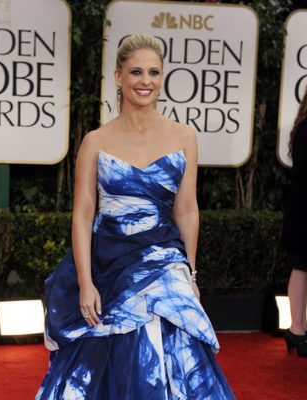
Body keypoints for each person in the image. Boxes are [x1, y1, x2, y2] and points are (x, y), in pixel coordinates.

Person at [35, 34, 235, 399]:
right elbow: (82, 215)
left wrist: (189, 273)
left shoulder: (185, 136)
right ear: (118, 77)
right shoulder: (95, 141)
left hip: (164, 258)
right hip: (109, 262)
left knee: (175, 349)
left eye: (154, 72)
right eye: (137, 72)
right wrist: (85, 282)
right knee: (107, 353)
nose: (146, 81)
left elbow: (187, 208)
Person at [282, 86, 307, 357]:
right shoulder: (305, 128)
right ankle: (296, 330)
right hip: (303, 212)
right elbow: (302, 167)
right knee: (300, 267)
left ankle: (299, 330)